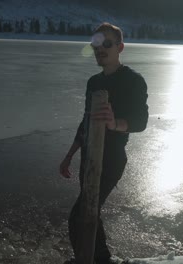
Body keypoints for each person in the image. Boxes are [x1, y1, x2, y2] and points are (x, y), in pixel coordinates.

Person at [59, 22, 149, 264]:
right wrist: (70, 154)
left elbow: (141, 121)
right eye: (96, 44)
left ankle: (92, 259)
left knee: (80, 214)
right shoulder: (94, 82)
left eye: (107, 43)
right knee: (90, 212)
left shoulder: (133, 81)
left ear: (120, 47)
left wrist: (114, 123)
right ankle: (96, 258)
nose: (100, 49)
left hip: (110, 160)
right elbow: (85, 122)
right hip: (88, 156)